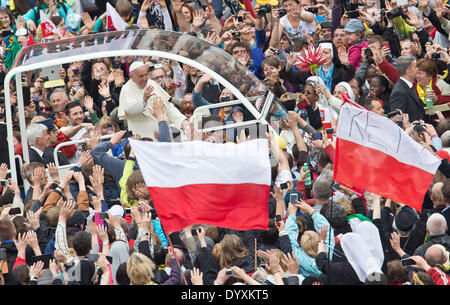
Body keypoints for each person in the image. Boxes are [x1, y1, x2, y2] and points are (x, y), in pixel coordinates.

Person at [118, 61, 188, 141]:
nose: (145, 79)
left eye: (146, 75)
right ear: (131, 76)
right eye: (141, 76)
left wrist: (182, 121)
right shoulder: (126, 89)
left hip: (163, 135)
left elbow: (167, 107)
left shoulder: (152, 84)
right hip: (143, 138)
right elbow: (129, 109)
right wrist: (143, 99)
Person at [390, 56, 426, 123]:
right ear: (408, 71)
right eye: (415, 67)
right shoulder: (399, 92)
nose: (418, 69)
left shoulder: (410, 86)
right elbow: (398, 120)